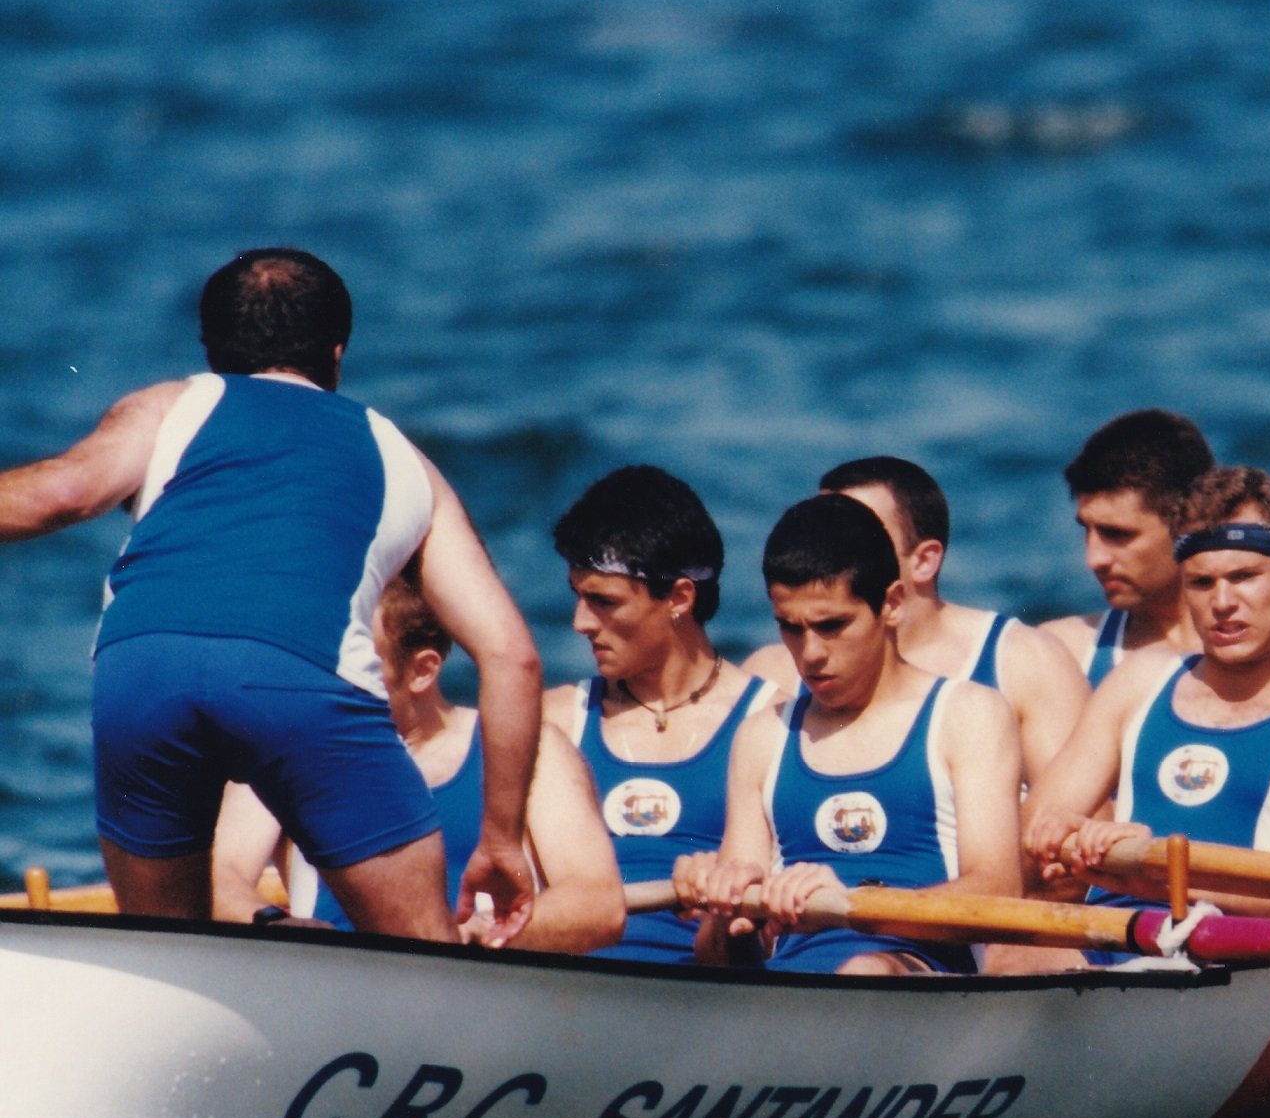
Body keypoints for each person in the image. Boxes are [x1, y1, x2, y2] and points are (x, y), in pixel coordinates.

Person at [0, 248, 539, 942]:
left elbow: (61, 493)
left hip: (143, 668)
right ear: (337, 354)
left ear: (211, 349)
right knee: (422, 956)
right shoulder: (402, 458)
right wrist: (501, 841)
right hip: (300, 679)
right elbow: (512, 657)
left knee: (167, 953)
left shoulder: (172, 405)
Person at [1024, 467, 1270, 920]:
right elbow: (1037, 828)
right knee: (1016, 953)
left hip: (1241, 950)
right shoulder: (1138, 682)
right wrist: (1065, 834)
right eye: (1202, 582)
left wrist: (1158, 873)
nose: (1222, 602)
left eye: (1243, 576)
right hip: (1114, 941)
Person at [675, 494, 1023, 974]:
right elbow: (720, 961)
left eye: (831, 625)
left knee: (864, 970)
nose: (810, 653)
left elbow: (998, 892)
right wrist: (722, 912)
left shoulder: (968, 715)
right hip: (793, 989)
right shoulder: (762, 736)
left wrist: (847, 905)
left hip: (917, 974)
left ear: (892, 604)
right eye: (790, 628)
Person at [214, 572, 624, 951]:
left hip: (477, 981)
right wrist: (275, 925)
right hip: (337, 979)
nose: (326, 680)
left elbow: (596, 905)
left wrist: (481, 936)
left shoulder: (534, 750)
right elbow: (218, 880)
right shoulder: (282, 749)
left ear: (422, 670)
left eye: (355, 664)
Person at [543, 465, 779, 963]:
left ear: (679, 598)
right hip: (573, 983)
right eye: (577, 596)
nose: (580, 622)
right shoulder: (557, 723)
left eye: (603, 601)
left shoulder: (773, 722)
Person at [742, 456, 1086, 783]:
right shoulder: (773, 675)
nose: (833, 552)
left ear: (924, 560)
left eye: (859, 533)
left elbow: (1078, 818)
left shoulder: (1025, 662)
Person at [1040, 410, 1214, 685]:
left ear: (1189, 524)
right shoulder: (1060, 653)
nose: (1094, 560)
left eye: (1116, 534)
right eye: (1087, 530)